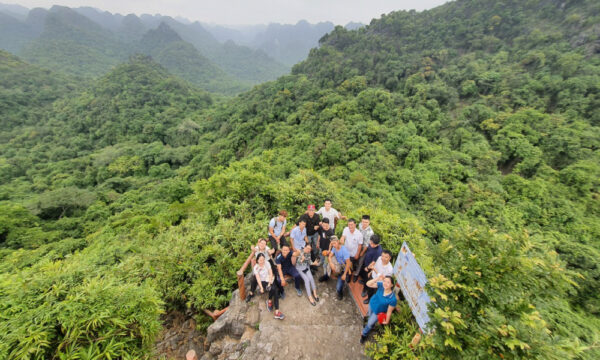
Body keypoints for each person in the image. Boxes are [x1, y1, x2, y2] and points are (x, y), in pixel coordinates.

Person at [246, 254, 285, 320]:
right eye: (260, 260)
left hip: (269, 279)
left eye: (263, 259)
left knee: (274, 289)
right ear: (257, 260)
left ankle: (273, 307)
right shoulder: (256, 267)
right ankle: (274, 308)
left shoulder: (267, 263)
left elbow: (270, 273)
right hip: (262, 281)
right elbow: (258, 278)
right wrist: (261, 287)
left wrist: (269, 282)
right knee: (274, 290)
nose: (262, 261)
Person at [360, 275, 397, 344]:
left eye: (388, 282)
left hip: (378, 312)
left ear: (392, 285)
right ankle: (369, 324)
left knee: (370, 323)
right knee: (369, 316)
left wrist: (387, 321)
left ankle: (364, 334)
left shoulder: (392, 299)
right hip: (372, 304)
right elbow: (368, 284)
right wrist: (377, 278)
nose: (385, 283)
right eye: (384, 281)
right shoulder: (381, 285)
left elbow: (389, 311)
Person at [328, 236, 352, 300]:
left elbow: (348, 263)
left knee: (338, 287)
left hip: (344, 269)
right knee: (328, 267)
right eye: (332, 244)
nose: (334, 245)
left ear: (338, 242)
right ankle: (329, 276)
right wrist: (331, 263)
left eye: (334, 243)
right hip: (338, 266)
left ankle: (340, 293)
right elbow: (330, 256)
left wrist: (344, 274)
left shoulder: (344, 251)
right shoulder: (334, 248)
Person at [354, 215, 374, 280]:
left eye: (366, 222)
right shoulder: (360, 225)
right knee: (355, 257)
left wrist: (362, 252)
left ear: (369, 222)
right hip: (357, 244)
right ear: (361, 221)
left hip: (363, 248)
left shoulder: (370, 232)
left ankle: (356, 274)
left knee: (360, 261)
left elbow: (367, 245)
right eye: (363, 222)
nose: (364, 224)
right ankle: (354, 268)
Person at [317, 218, 335, 282]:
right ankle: (320, 262)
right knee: (321, 256)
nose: (324, 227)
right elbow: (320, 235)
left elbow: (333, 242)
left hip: (327, 251)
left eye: (326, 225)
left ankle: (326, 276)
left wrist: (329, 250)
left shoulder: (331, 232)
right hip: (321, 247)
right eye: (323, 225)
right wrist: (318, 242)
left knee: (326, 264)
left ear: (328, 224)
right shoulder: (321, 227)